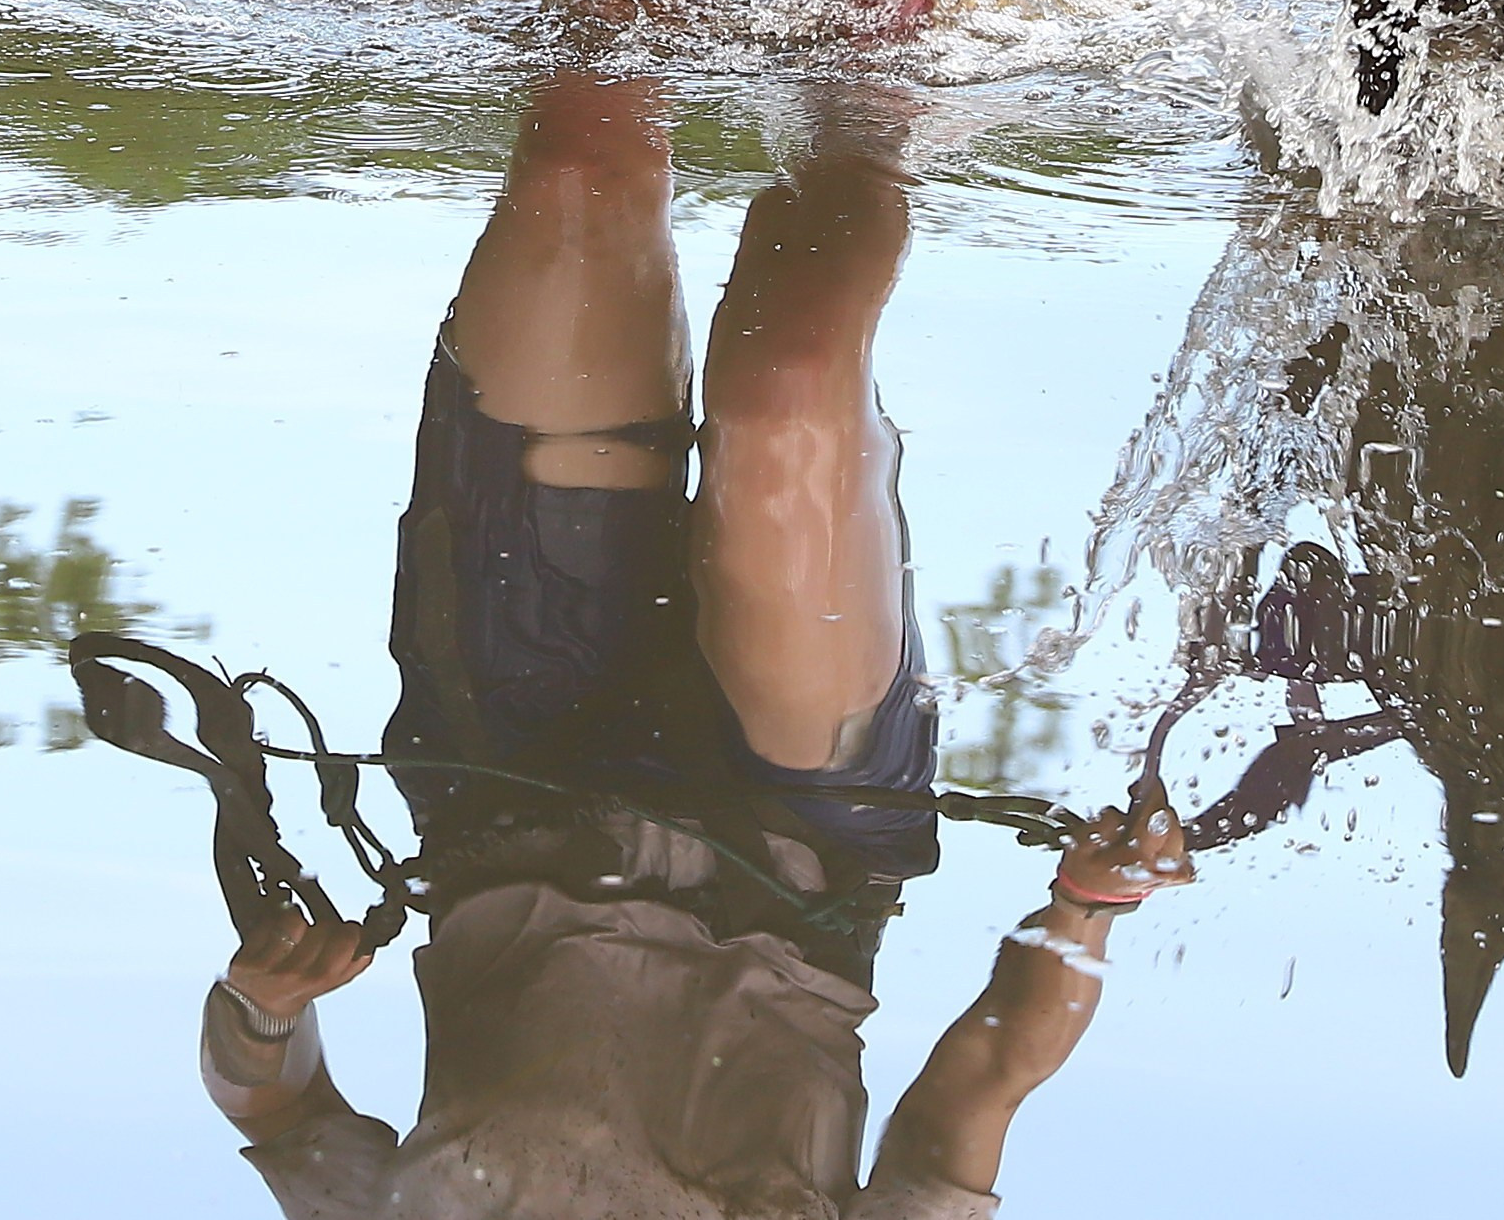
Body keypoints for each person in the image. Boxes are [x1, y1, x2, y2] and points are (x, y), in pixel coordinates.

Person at [193, 76, 1194, 1214]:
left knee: (580, 167)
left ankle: (634, 3)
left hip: (507, 760)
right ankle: (874, 58)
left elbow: (272, 1108)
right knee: (789, 384)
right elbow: (980, 1089)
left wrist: (261, 1010)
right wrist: (1089, 905)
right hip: (803, 835)